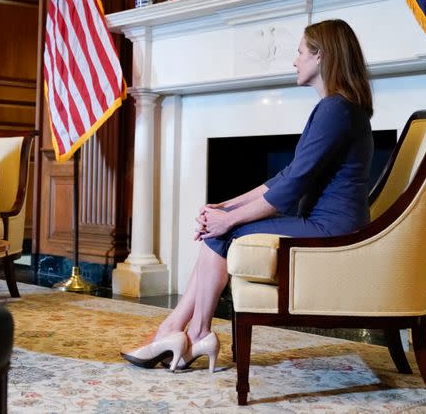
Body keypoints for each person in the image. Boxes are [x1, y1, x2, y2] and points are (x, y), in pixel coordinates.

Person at [120, 19, 375, 372]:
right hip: (327, 222)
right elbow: (286, 176)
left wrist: (228, 219)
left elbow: (292, 186)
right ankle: (178, 330)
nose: (295, 61)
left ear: (321, 56)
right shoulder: (341, 108)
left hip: (334, 229)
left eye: (300, 52)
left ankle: (190, 330)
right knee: (220, 227)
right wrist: (224, 206)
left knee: (222, 233)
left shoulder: (336, 109)